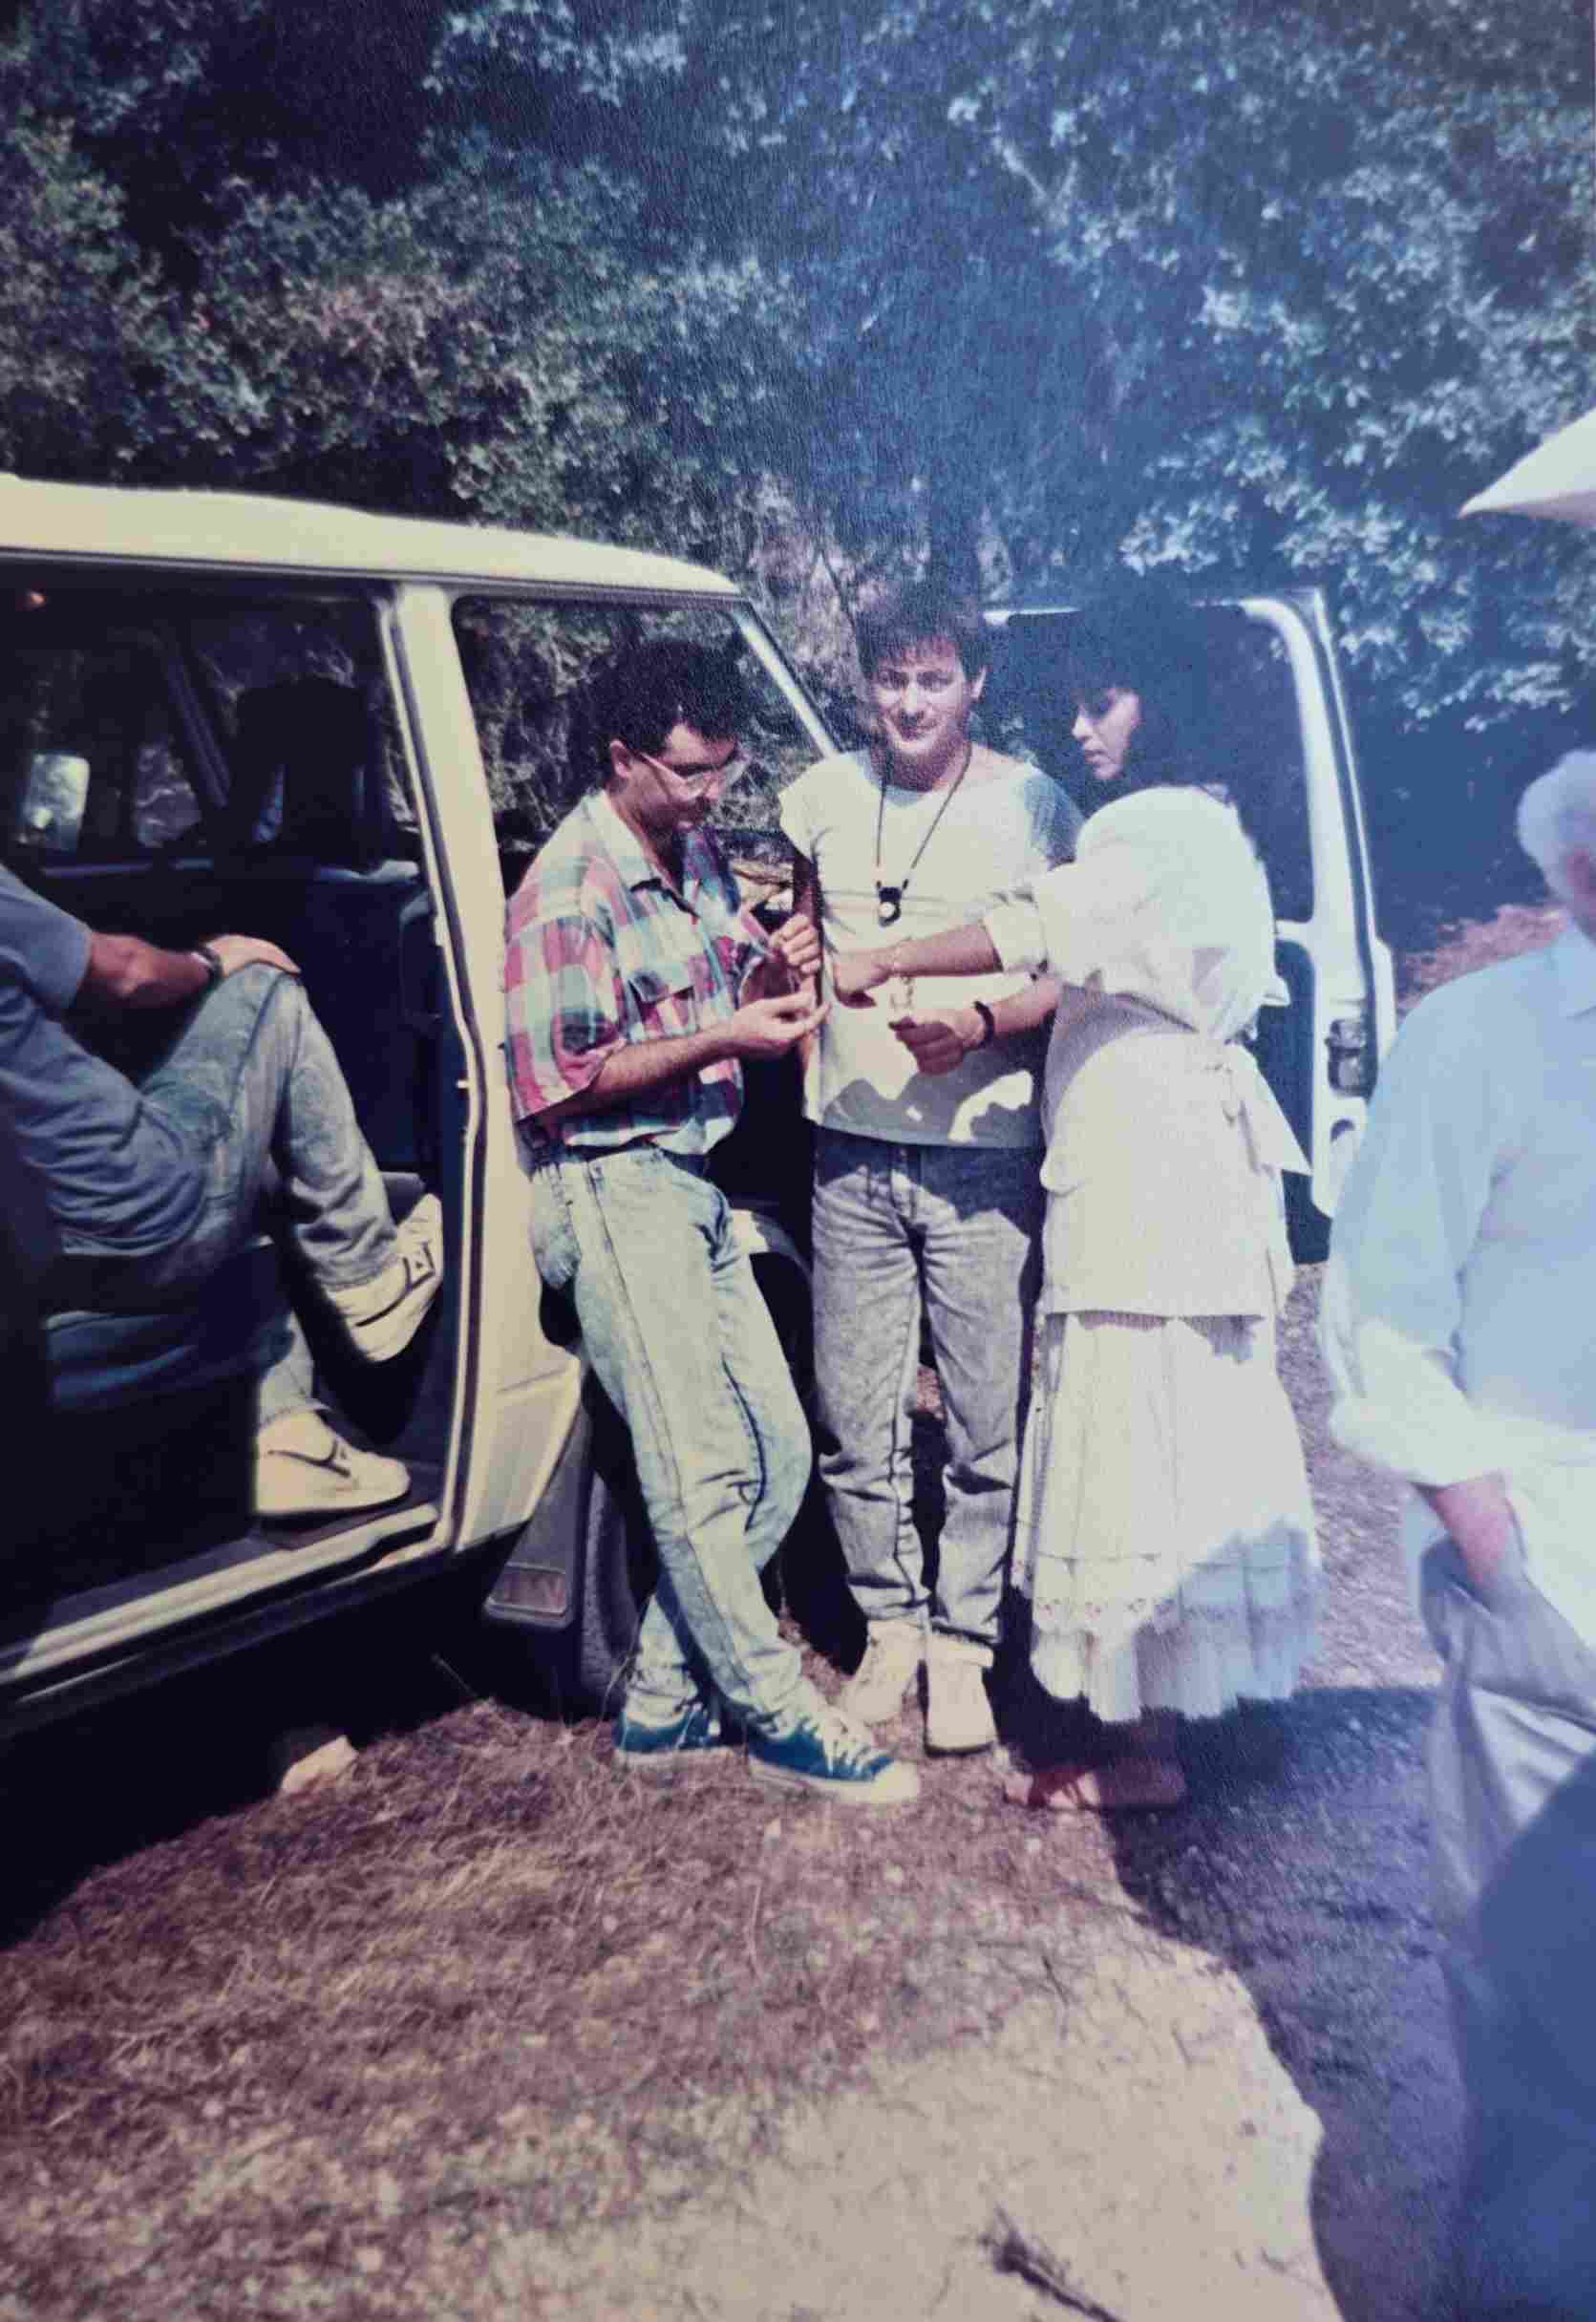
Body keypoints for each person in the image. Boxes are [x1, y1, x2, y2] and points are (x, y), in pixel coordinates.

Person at [832, 573, 1318, 1809]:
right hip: (1164, 1160)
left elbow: (1032, 924)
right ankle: (1183, 1715)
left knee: (1140, 1430)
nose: (1083, 725)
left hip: (1149, 1173)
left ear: (1162, 702)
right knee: (1179, 1433)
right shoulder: (1205, 825)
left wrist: (890, 952)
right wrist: (981, 1020)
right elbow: (1087, 971)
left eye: (1106, 702)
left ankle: (1146, 1747)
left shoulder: (1151, 829)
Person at [503, 639, 919, 1805]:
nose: (712, 794)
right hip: (611, 1184)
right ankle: (778, 1715)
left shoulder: (687, 849)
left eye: (725, 769)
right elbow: (559, 1085)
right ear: (623, 757)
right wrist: (724, 1040)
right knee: (697, 1470)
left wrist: (773, 972)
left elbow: (732, 977)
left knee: (777, 1452)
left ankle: (660, 1701)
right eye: (692, 773)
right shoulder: (567, 890)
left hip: (692, 1182)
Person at [1321, 749, 1596, 2317]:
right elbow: (1380, 1316)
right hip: (1558, 1586)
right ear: (1578, 867)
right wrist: (1498, 1553)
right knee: (1547, 2014)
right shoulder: (1477, 1038)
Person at [780, 580, 1079, 1755]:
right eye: (891, 678)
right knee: (855, 1416)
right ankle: (888, 1628)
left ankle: (963, 1647)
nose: (910, 702)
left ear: (975, 684)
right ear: (865, 682)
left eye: (934, 679)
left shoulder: (1036, 804)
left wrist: (982, 1028)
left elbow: (1069, 973)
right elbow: (799, 949)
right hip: (849, 1150)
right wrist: (784, 966)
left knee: (983, 1422)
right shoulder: (818, 795)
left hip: (984, 1158)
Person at [0, 866, 444, 1517]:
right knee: (264, 989)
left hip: (34, 1263)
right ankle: (367, 1276)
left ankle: (285, 1433)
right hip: (140, 1215)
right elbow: (127, 974)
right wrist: (211, 960)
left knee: (244, 1145)